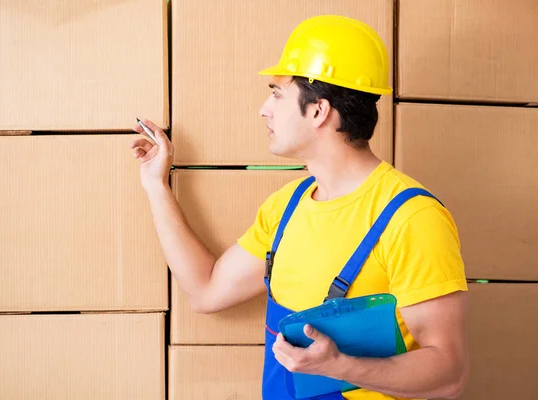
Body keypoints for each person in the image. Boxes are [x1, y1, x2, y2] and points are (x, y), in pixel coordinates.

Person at [130, 15, 469, 400]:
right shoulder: (287, 207)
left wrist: (341, 367)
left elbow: (449, 375)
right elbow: (206, 291)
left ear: (319, 111)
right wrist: (155, 184)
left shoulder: (411, 219)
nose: (264, 109)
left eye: (276, 94)